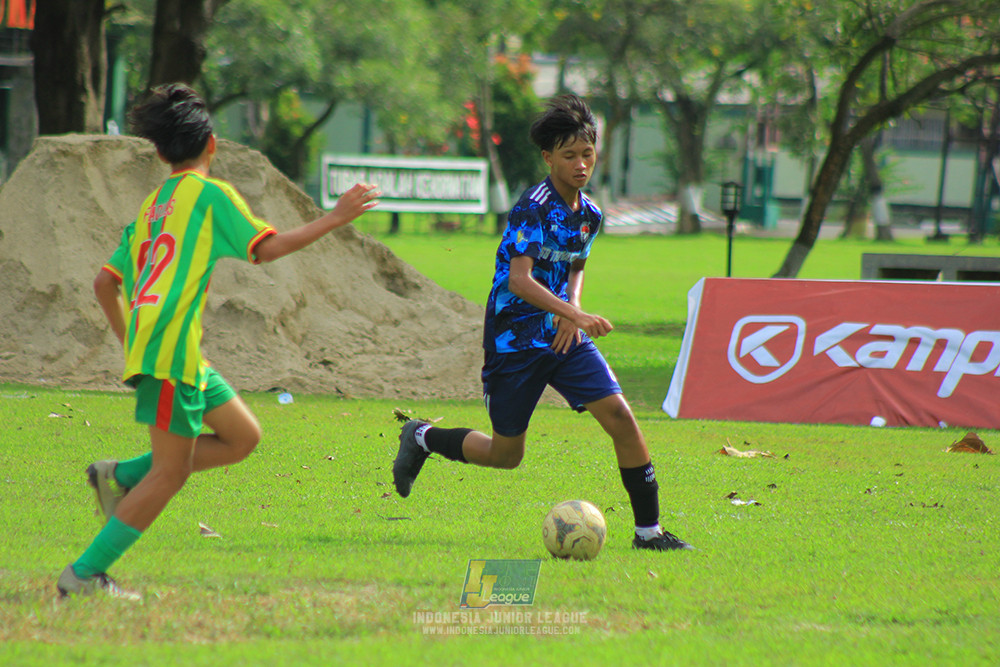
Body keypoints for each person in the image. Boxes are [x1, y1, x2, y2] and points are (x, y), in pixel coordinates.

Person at [57, 83, 380, 599]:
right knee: (170, 475)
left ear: (159, 153)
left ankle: (116, 474)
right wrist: (336, 217)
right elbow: (265, 249)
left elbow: (104, 284)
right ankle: (84, 574)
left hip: (170, 351)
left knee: (242, 437)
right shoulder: (210, 194)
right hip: (171, 352)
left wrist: (133, 343)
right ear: (211, 144)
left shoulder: (151, 207)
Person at [392, 94, 691, 552]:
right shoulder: (532, 207)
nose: (580, 164)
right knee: (506, 455)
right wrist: (574, 313)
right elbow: (519, 280)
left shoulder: (589, 214)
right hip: (515, 338)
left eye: (587, 154)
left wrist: (571, 310)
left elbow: (576, 264)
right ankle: (423, 436)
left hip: (561, 336)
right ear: (548, 157)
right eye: (569, 155)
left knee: (622, 419)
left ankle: (649, 532)